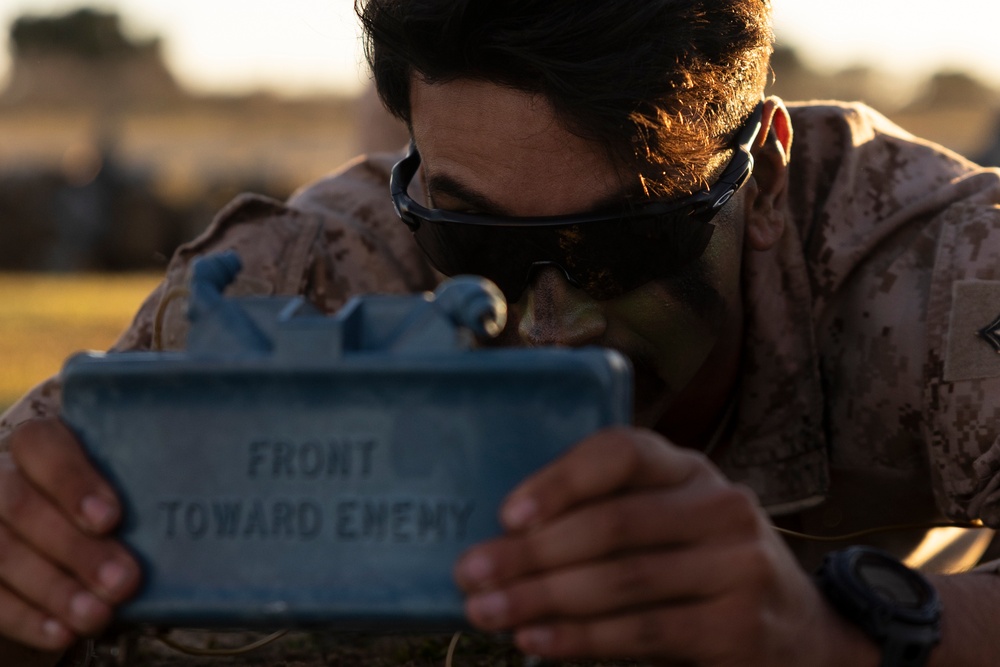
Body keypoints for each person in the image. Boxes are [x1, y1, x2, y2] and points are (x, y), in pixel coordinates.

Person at [3, 0, 1000, 664]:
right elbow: (36, 494)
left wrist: (836, 632)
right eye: (468, 235)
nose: (547, 318)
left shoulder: (940, 262)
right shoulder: (306, 280)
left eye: (625, 244)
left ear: (767, 182)